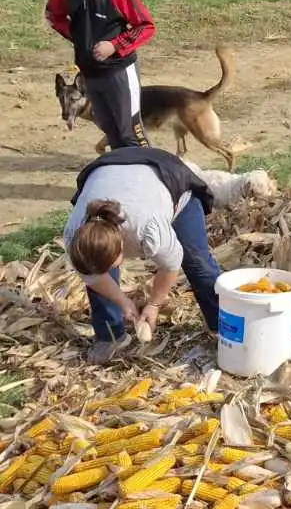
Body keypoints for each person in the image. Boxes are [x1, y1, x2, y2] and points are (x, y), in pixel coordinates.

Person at [62, 145, 221, 363]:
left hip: (167, 176)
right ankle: (110, 336)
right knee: (96, 270)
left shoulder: (147, 228)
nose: (104, 274)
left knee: (198, 263)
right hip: (109, 170)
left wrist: (154, 303)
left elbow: (170, 265)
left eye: (109, 267)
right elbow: (94, 277)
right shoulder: (75, 238)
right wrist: (123, 302)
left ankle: (222, 327)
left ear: (122, 247)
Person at [45, 0, 155, 151]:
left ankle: (147, 177)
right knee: (109, 128)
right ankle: (121, 176)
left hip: (119, 71)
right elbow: (52, 14)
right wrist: (76, 35)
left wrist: (114, 45)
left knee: (131, 130)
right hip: (90, 75)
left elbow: (146, 26)